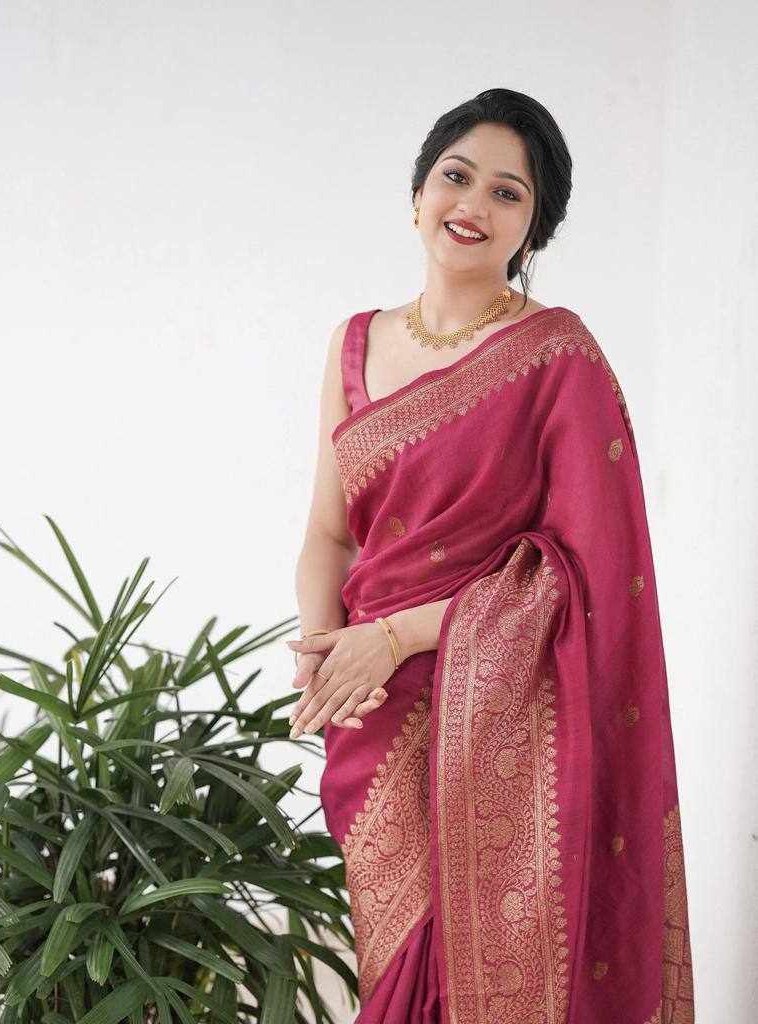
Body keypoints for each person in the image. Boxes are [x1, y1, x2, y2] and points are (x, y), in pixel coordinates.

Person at [286, 88, 695, 1023]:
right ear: (417, 193)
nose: (472, 205)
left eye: (507, 193)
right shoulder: (353, 341)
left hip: (499, 710)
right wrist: (325, 655)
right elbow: (328, 532)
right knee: (397, 971)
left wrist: (394, 636)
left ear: (532, 227)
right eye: (455, 176)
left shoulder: (555, 357)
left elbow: (583, 572)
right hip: (370, 707)